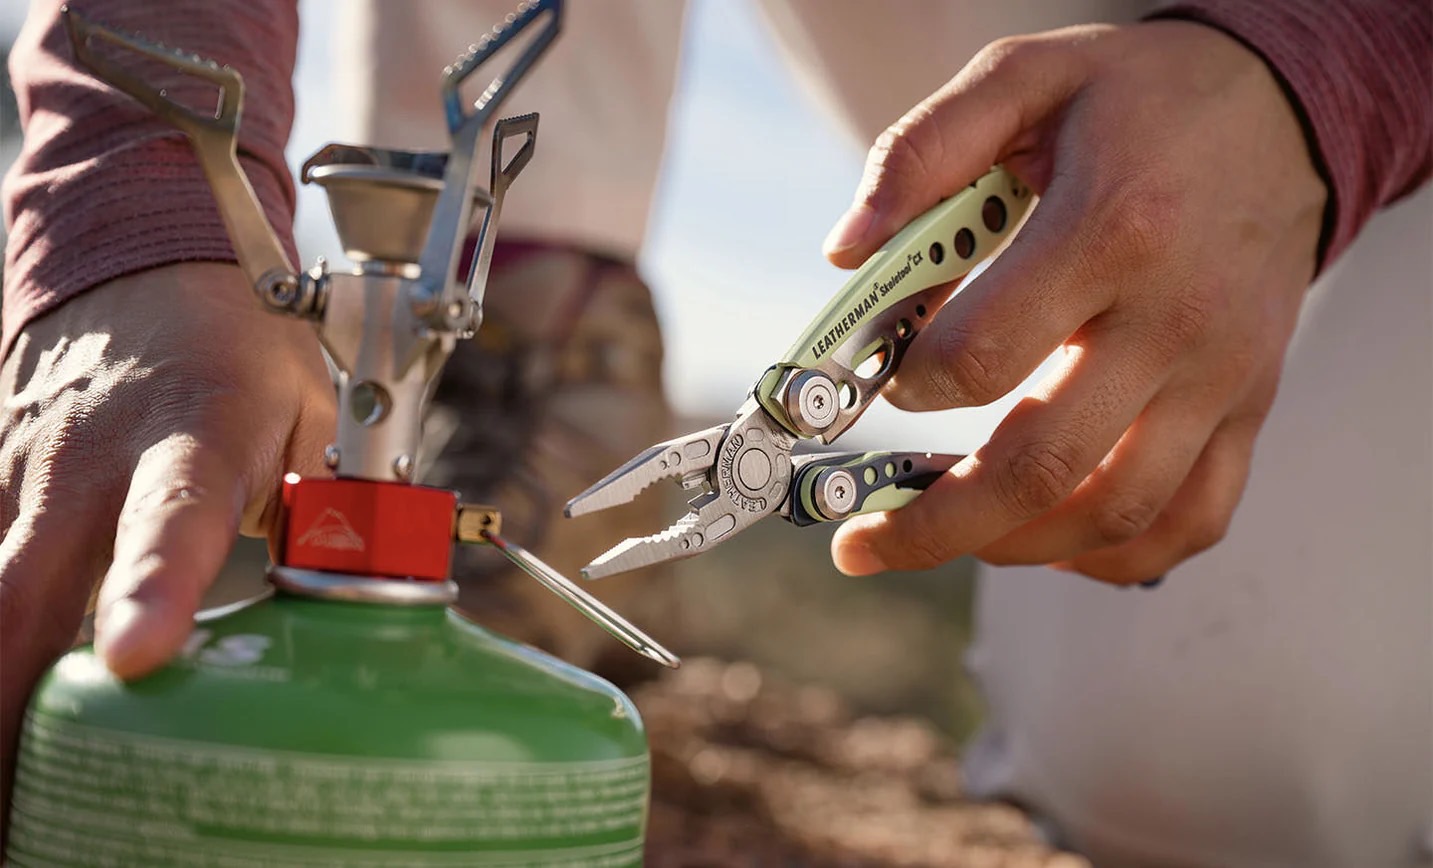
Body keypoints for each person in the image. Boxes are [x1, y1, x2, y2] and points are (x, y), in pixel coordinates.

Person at [3, 0, 1428, 864]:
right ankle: (529, 337)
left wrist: (1317, 86)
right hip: (991, 76)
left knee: (1239, 777)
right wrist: (132, 218)